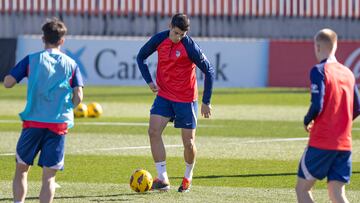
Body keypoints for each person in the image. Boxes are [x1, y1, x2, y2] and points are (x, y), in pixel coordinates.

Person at [3, 18, 84, 203]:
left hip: (33, 122)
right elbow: (79, 96)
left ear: (43, 38)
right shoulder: (71, 64)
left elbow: (8, 83)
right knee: (49, 177)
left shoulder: (32, 59)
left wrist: (15, 74)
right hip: (58, 124)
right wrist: (67, 108)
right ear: (62, 40)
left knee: (22, 169)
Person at [136, 13, 215, 192]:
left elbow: (209, 71)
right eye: (176, 32)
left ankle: (188, 176)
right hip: (164, 96)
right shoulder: (159, 39)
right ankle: (163, 178)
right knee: (153, 131)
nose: (178, 37)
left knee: (188, 143)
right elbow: (141, 57)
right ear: (170, 26)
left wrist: (206, 101)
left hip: (186, 99)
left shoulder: (190, 46)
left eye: (182, 34)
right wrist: (149, 81)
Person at [295, 28, 360, 203]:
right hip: (344, 143)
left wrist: (307, 120)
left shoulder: (319, 70)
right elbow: (358, 106)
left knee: (302, 189)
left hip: (322, 141)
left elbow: (318, 103)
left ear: (317, 47)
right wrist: (341, 123)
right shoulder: (348, 72)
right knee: (337, 193)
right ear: (335, 46)